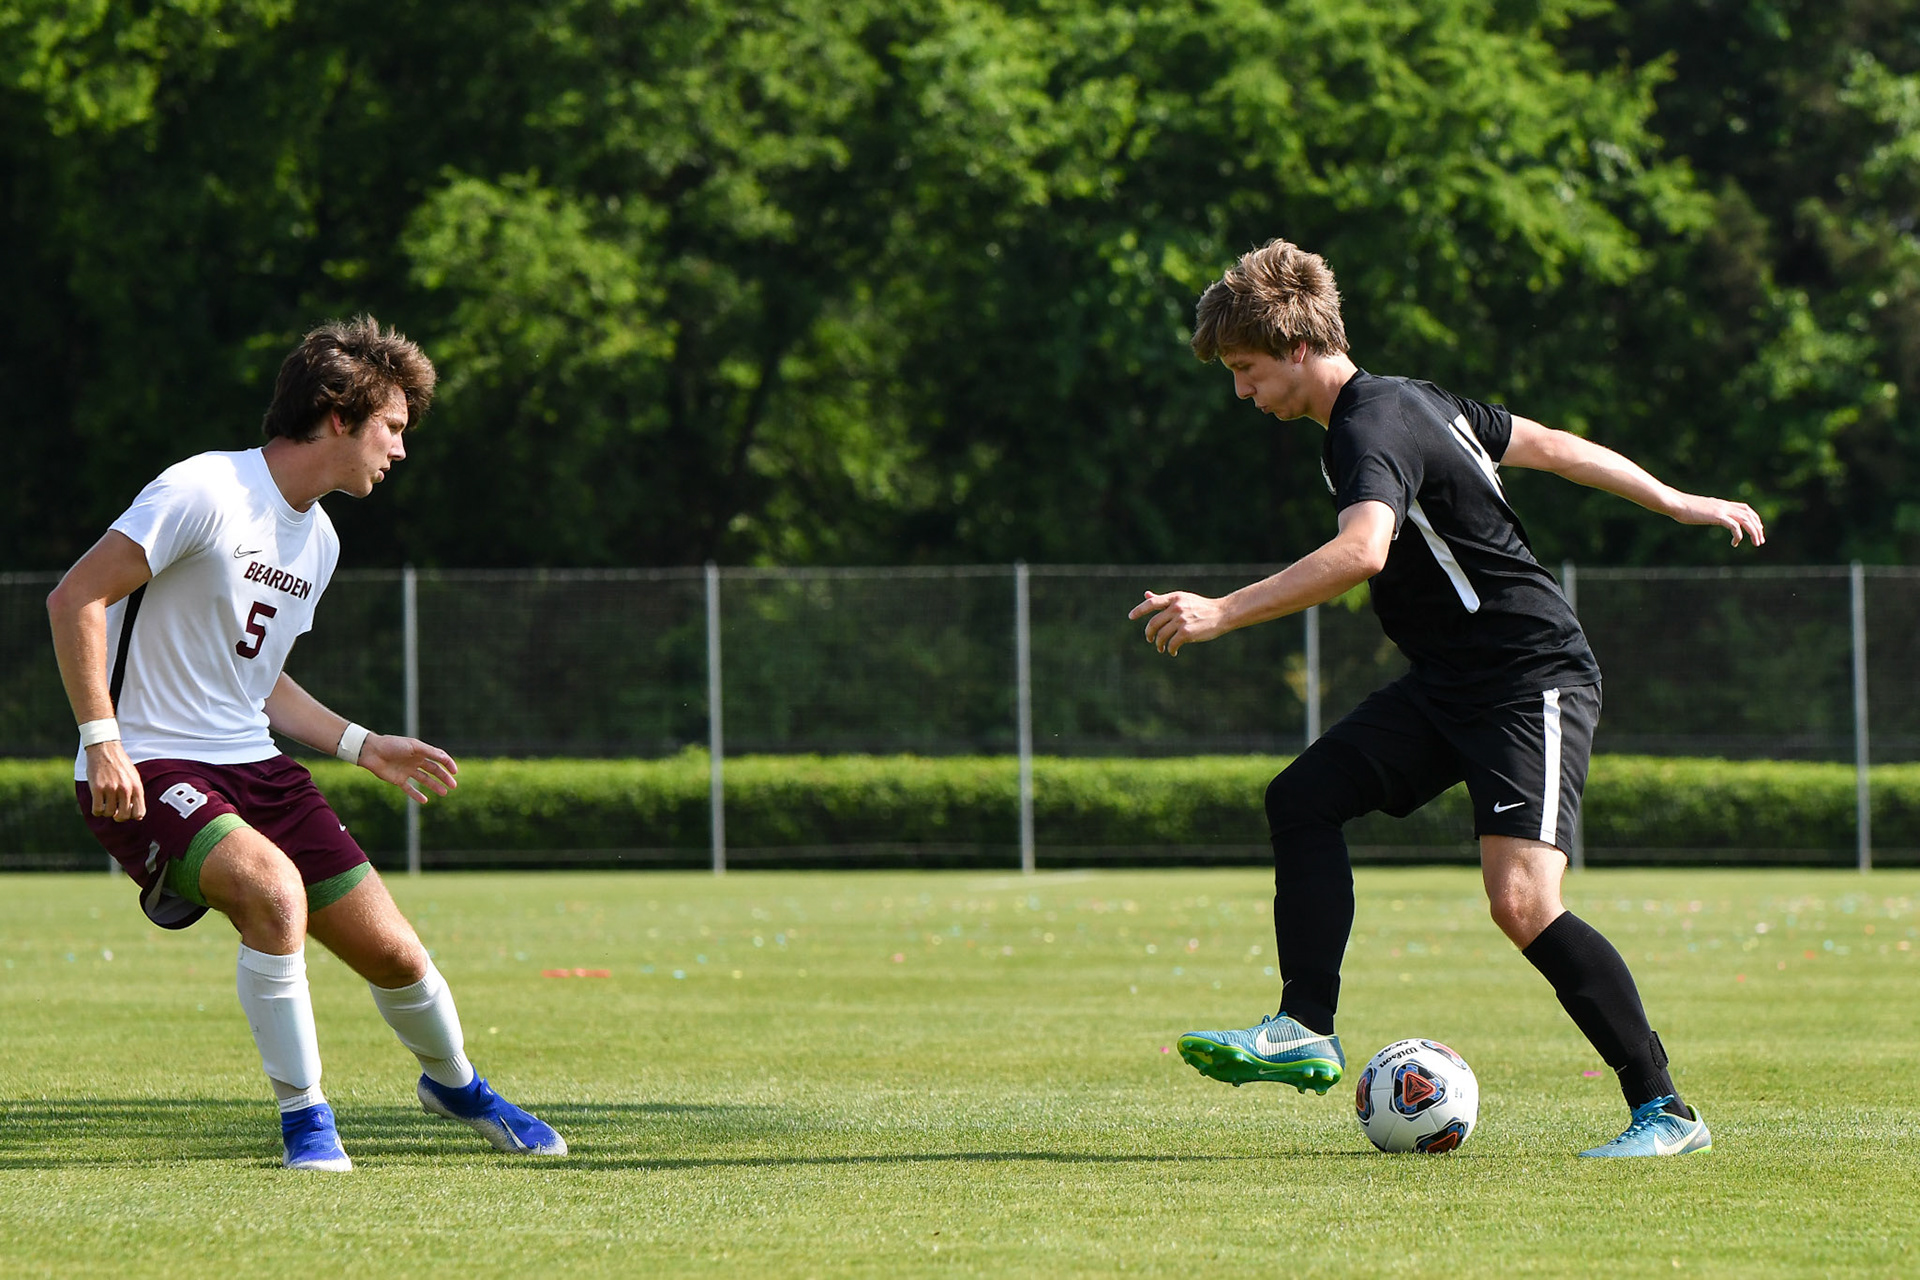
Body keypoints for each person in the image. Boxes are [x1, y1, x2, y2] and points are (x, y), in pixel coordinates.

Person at [1130, 239, 1765, 1158]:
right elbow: (1549, 446)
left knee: (1523, 904)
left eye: (1246, 369)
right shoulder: (1413, 402)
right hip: (1451, 684)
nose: (1240, 391)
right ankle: (1305, 1024)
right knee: (1303, 796)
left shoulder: (1367, 425)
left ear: (1297, 346)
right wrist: (1673, 499)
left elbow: (1363, 552)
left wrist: (1222, 610)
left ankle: (1666, 1109)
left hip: (1526, 677)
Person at [47, 317, 566, 1171]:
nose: (400, 449)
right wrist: (102, 740)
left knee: (395, 953)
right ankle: (307, 1121)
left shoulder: (318, 538)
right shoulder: (203, 489)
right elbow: (75, 600)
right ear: (337, 415)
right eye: (393, 427)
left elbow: (261, 681)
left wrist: (363, 744)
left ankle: (458, 1085)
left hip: (255, 766)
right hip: (151, 764)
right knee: (274, 895)